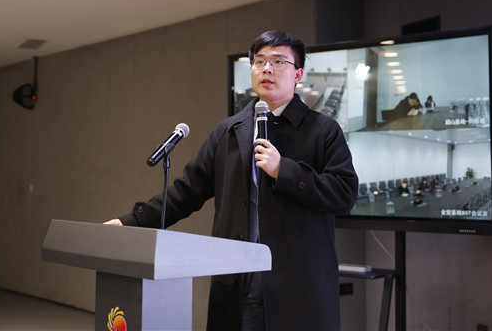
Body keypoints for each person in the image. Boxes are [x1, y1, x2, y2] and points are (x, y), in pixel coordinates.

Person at [105, 30, 358, 330]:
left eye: (278, 62)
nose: (267, 69)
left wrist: (284, 170)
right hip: (239, 282)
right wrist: (131, 222)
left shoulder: (323, 130)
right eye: (259, 61)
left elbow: (344, 194)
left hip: (298, 287)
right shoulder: (228, 132)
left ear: (297, 74)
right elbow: (186, 192)